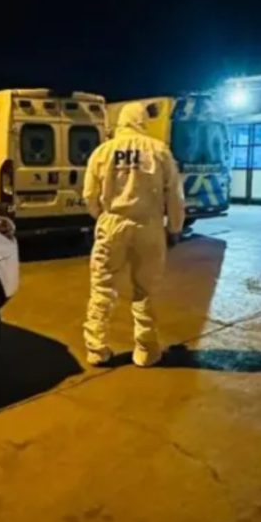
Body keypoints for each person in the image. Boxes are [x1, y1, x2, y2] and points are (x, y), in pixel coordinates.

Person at [82, 101, 186, 368]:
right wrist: (175, 227)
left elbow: (89, 195)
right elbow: (175, 195)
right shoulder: (159, 150)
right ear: (142, 121)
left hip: (112, 224)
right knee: (145, 290)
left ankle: (97, 349)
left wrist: (102, 216)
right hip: (148, 227)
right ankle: (146, 351)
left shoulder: (102, 152)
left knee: (102, 287)